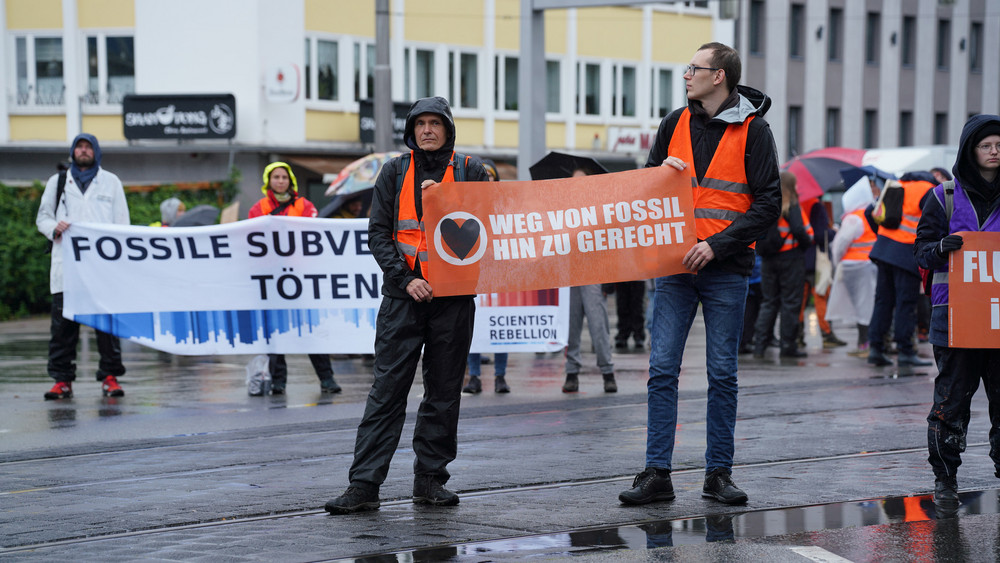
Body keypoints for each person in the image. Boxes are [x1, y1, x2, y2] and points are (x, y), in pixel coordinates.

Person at [619, 42, 780, 506]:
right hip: (673, 267)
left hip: (726, 269)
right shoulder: (674, 123)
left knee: (722, 374)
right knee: (662, 369)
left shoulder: (755, 131)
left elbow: (769, 204)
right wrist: (658, 174)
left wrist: (716, 245)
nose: (686, 75)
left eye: (694, 68)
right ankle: (657, 474)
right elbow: (649, 188)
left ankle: (718, 474)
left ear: (719, 77)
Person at [325, 97, 490, 514]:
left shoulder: (472, 170)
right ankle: (364, 486)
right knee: (387, 392)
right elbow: (378, 234)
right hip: (403, 299)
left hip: (453, 301)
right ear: (412, 130)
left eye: (436, 123)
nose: (428, 130)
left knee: (444, 393)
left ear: (449, 129)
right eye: (421, 124)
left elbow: (499, 219)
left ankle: (430, 482)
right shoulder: (394, 171)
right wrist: (407, 278)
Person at [915, 114, 1000, 513]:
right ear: (971, 150)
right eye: (987, 145)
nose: (995, 151)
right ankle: (945, 479)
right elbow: (920, 252)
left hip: (998, 318)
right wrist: (940, 249)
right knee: (950, 403)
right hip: (954, 318)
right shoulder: (942, 197)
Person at [36, 133, 130, 400]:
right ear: (73, 152)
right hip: (67, 269)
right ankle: (62, 380)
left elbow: (122, 224)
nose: (84, 151)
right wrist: (54, 228)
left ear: (96, 151)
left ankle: (110, 378)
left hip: (102, 270)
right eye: (80, 147)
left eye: (89, 147)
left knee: (106, 328)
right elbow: (43, 217)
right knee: (63, 329)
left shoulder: (111, 182)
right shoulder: (58, 182)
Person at [248, 161, 342, 395]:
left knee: (310, 328)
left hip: (301, 278)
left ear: (290, 181)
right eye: (276, 177)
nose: (280, 181)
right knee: (275, 332)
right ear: (268, 181)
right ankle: (278, 381)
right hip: (272, 278)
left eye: (284, 177)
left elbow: (314, 234)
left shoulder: (305, 205)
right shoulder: (258, 208)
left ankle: (326, 378)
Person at [866, 170, 936, 367]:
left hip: (883, 249)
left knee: (883, 301)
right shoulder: (928, 190)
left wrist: (882, 235)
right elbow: (934, 220)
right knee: (906, 303)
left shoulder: (897, 185)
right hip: (905, 252)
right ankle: (905, 350)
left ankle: (876, 348)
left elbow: (869, 212)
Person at [562, 168, 617, 394]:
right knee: (571, 327)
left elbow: (610, 242)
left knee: (598, 325)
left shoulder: (600, 210)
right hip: (569, 274)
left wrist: (610, 276)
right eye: (574, 182)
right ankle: (571, 373)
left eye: (582, 181)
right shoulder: (562, 212)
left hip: (594, 273)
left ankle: (607, 372)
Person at [752, 172, 813, 358]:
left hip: (769, 260)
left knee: (769, 302)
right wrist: (806, 244)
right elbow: (798, 230)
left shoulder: (768, 203)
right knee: (790, 303)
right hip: (791, 259)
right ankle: (788, 346)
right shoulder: (792, 204)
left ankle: (759, 346)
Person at [463, 160, 510, 395]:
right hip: (476, 272)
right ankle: (474, 376)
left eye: (491, 176)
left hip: (499, 272)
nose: (488, 180)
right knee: (476, 325)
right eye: (484, 176)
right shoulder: (469, 205)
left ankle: (500, 376)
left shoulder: (505, 205)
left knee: (500, 324)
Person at [826, 174, 880, 356]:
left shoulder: (853, 218)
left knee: (861, 306)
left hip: (854, 267)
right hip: (870, 265)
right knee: (869, 304)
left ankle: (864, 345)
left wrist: (836, 264)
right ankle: (868, 344)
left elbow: (840, 245)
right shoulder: (871, 215)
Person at [797, 197, 846, 349]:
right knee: (821, 296)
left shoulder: (796, 204)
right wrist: (833, 231)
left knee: (798, 301)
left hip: (797, 258)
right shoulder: (816, 205)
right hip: (816, 261)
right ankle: (827, 334)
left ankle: (796, 336)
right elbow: (821, 235)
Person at [612, 280, 646, 351]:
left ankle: (638, 335)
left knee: (637, 306)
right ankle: (624, 334)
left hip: (638, 275)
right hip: (622, 276)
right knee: (622, 305)